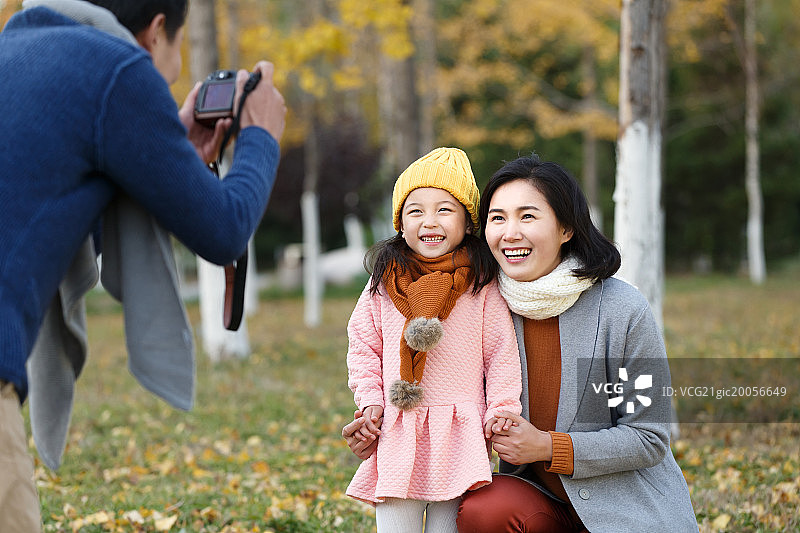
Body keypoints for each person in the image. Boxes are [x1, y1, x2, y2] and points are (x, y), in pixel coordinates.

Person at [0, 1, 286, 531]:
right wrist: (261, 137)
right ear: (156, 32)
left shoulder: (13, 50)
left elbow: (44, 217)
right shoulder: (118, 68)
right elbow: (224, 231)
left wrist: (165, 155)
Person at [345, 153, 699, 532]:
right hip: (538, 505)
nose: (510, 233)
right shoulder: (481, 298)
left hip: (623, 510)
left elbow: (649, 437)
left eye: (527, 216)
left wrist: (548, 447)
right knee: (485, 509)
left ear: (566, 228)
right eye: (498, 218)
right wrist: (380, 422)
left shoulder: (622, 309)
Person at [345, 147, 522, 533]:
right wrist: (370, 401)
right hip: (399, 428)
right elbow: (363, 345)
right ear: (400, 223)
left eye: (444, 210)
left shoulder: (480, 284)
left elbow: (500, 353)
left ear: (468, 222)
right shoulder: (385, 282)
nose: (430, 221)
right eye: (415, 211)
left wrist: (502, 407)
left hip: (459, 432)